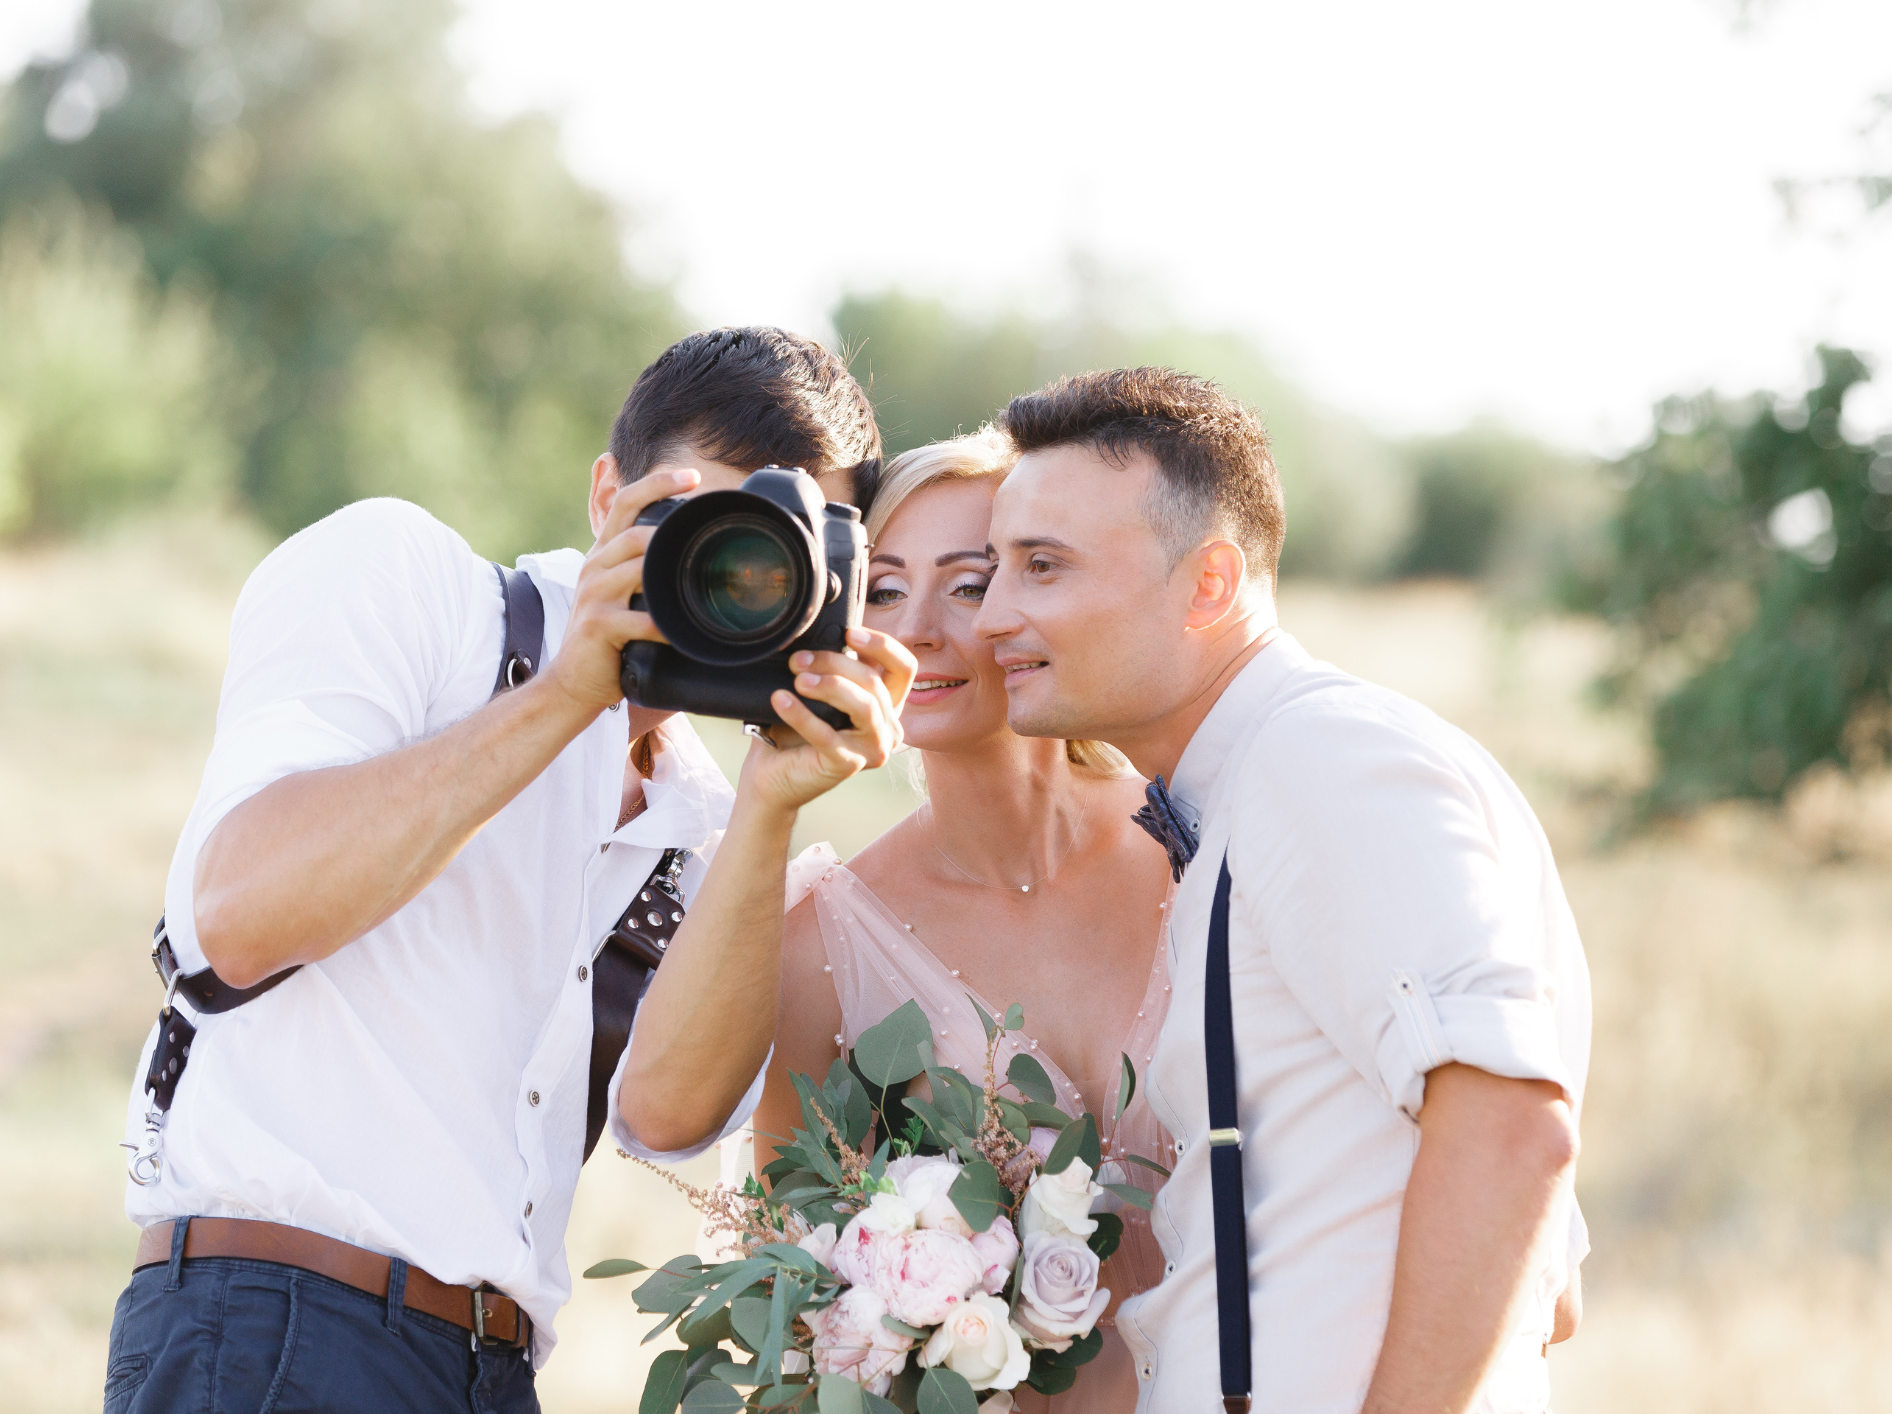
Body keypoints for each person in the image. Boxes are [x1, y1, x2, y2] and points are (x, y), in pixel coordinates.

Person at [101, 327, 914, 1414]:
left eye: (770, 557)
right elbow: (238, 912)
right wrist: (566, 696)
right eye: (702, 526)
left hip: (489, 1370)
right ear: (603, 497)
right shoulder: (410, 582)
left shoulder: (710, 822)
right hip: (274, 1322)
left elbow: (666, 1121)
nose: (726, 577)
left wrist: (773, 799)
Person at [974, 368, 1590, 1414]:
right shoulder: (1254, 783)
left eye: (1041, 566)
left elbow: (1508, 1129)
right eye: (995, 568)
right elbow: (1554, 1287)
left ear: (1208, 581)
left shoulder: (1325, 760)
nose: (993, 615)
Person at [752, 428, 1179, 1412]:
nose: (919, 632)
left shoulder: (1197, 845)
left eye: (970, 581)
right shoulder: (824, 941)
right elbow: (793, 1277)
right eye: (886, 591)